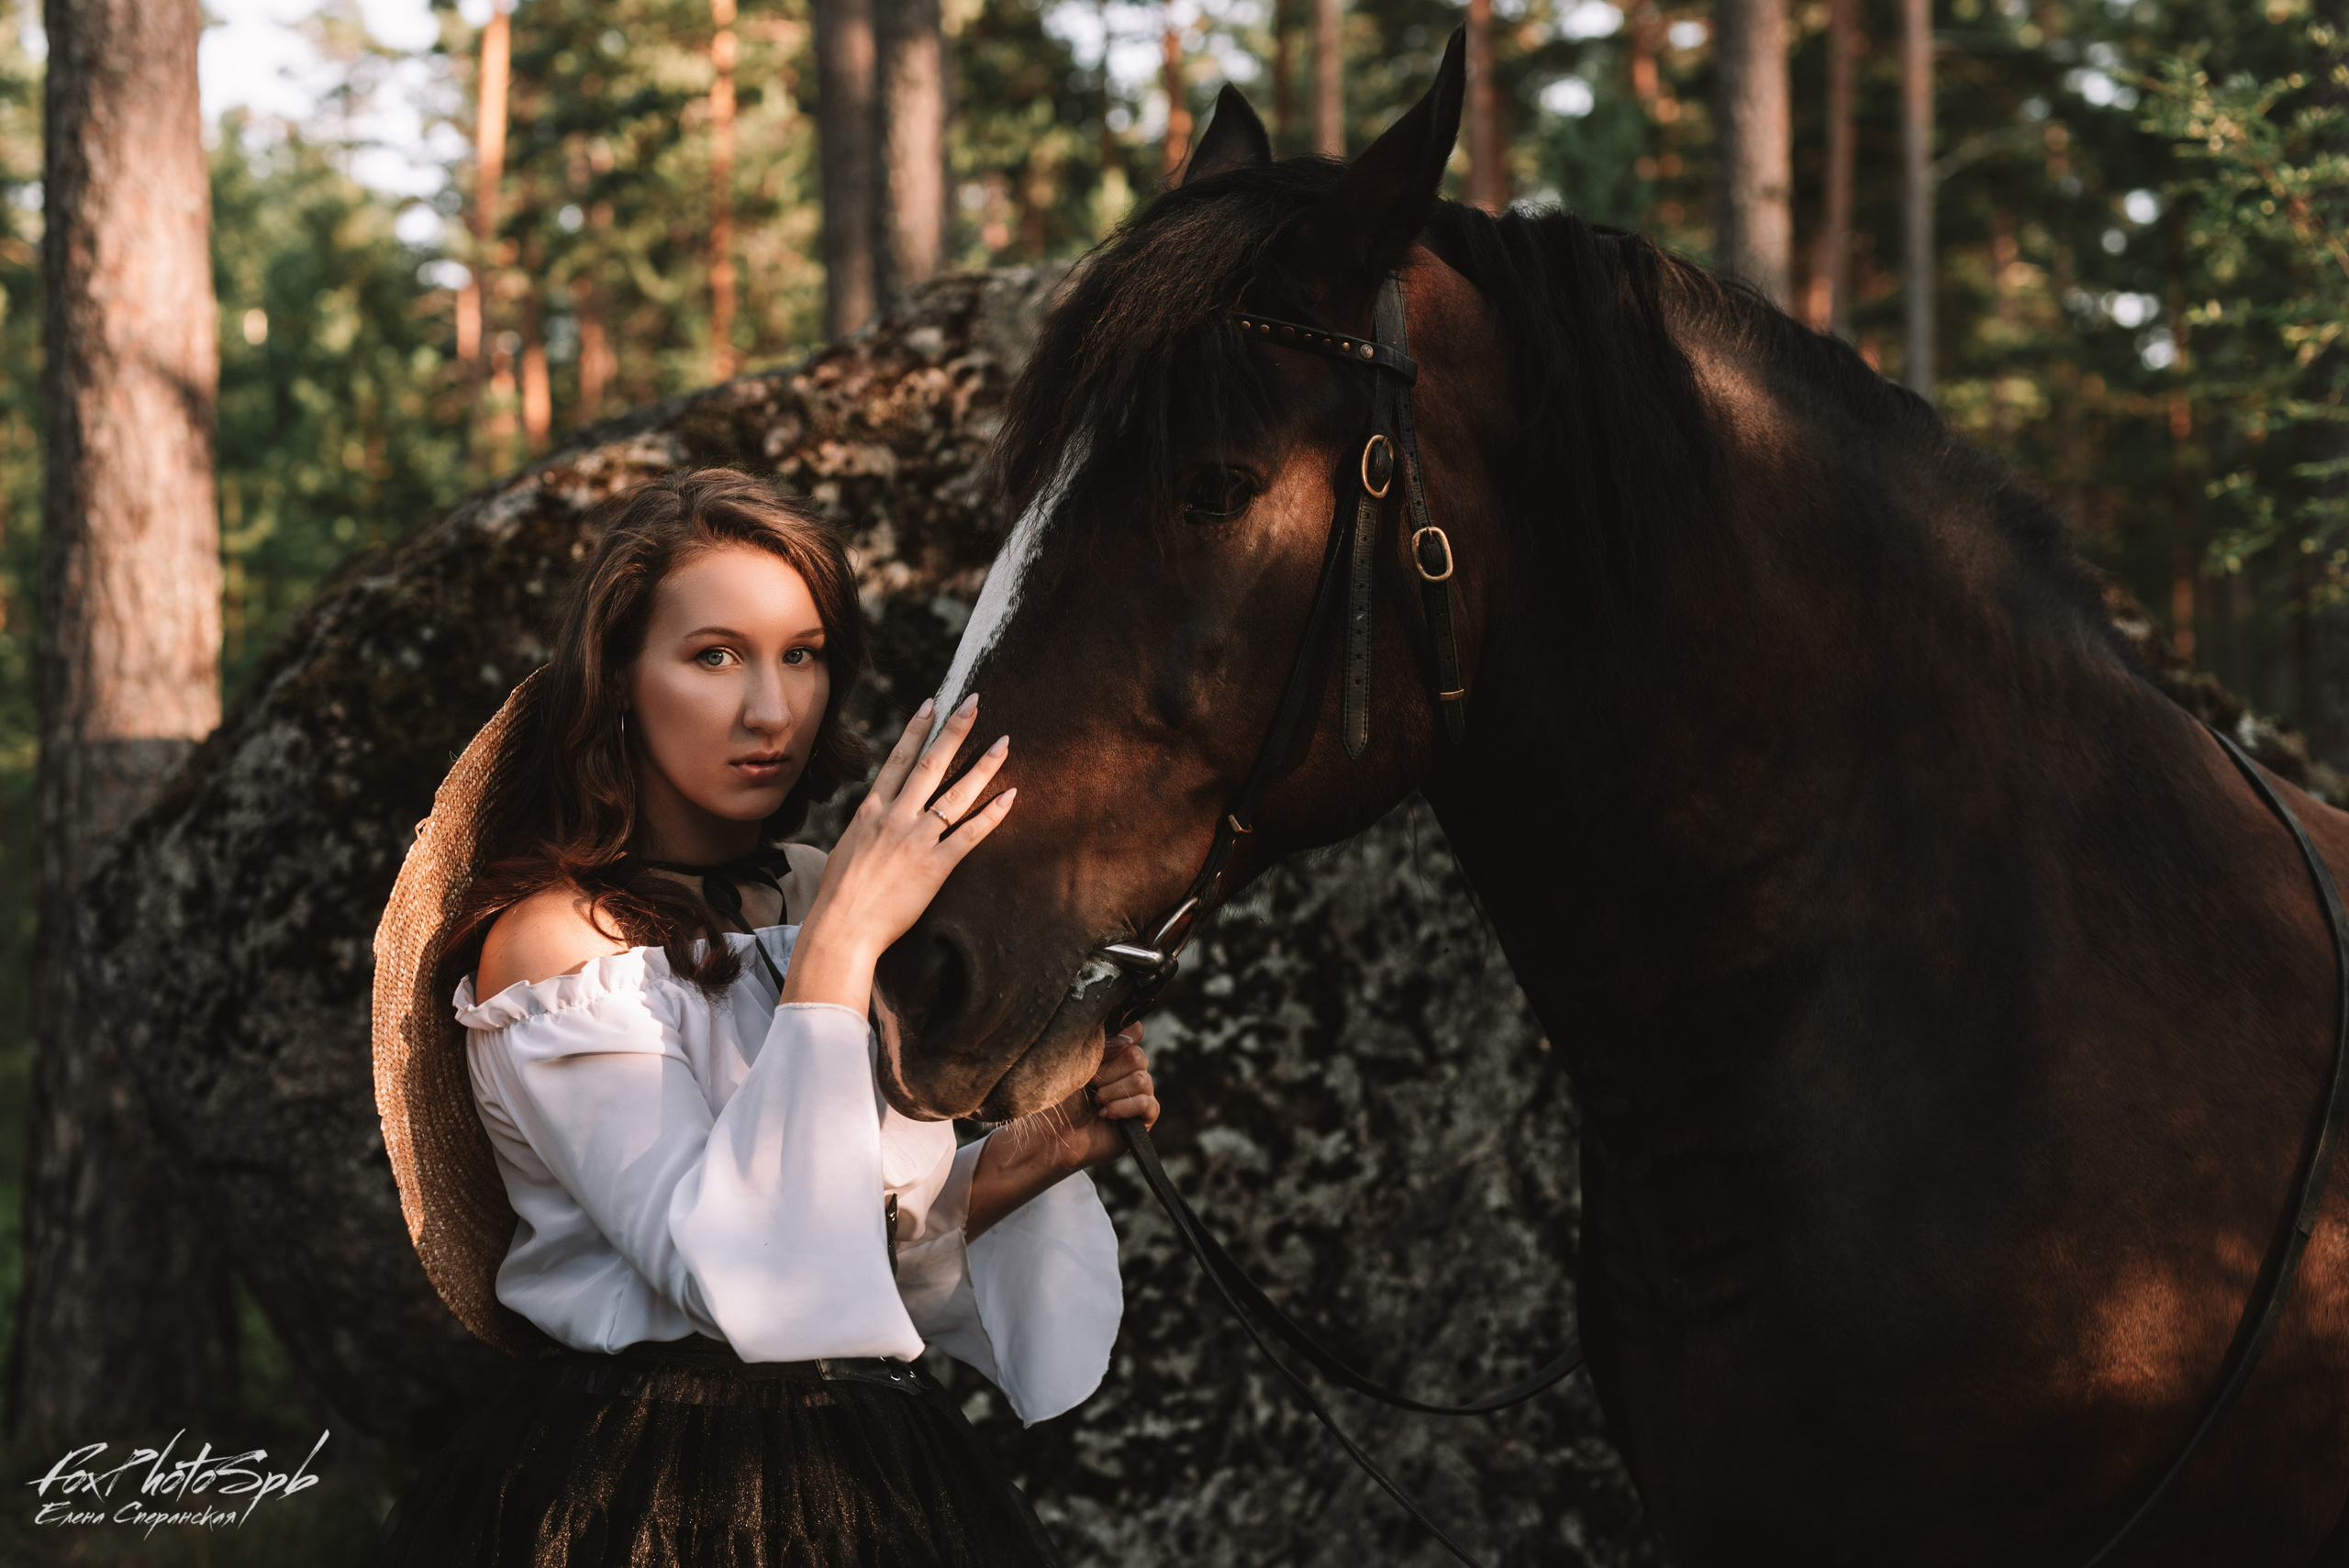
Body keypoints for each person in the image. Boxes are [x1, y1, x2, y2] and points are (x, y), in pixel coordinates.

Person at [370, 468, 1155, 1567]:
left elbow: (853, 1258)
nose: (772, 710)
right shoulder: (555, 947)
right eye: (714, 655)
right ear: (619, 679)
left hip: (869, 1472)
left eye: (803, 654)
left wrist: (1045, 1147)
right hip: (645, 1487)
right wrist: (840, 947)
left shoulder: (816, 885)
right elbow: (729, 1277)